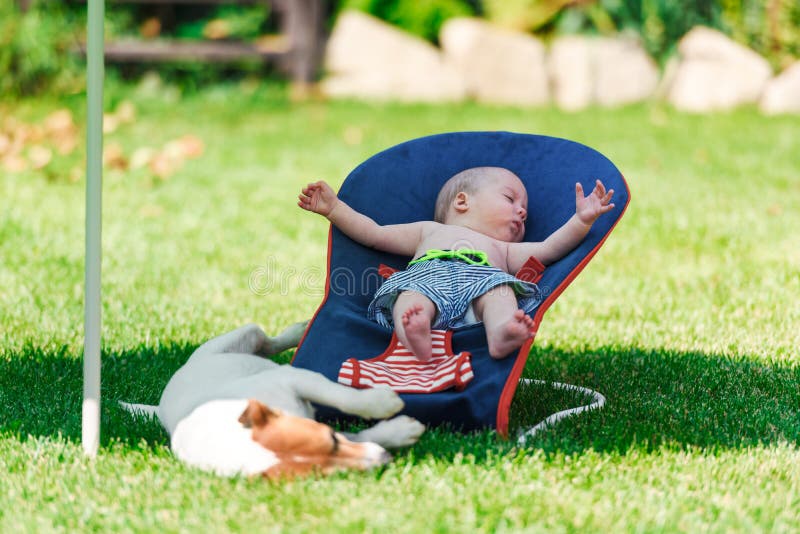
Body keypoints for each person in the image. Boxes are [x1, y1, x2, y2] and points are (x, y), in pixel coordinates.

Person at [298, 167, 614, 361]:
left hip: (480, 285)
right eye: (510, 199)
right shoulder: (429, 231)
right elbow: (374, 234)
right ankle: (414, 328)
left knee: (500, 290)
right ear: (462, 202)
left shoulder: (502, 250)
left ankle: (501, 331)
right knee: (409, 295)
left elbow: (548, 249)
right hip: (427, 276)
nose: (522, 213)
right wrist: (334, 208)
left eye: (525, 211)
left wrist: (581, 220)